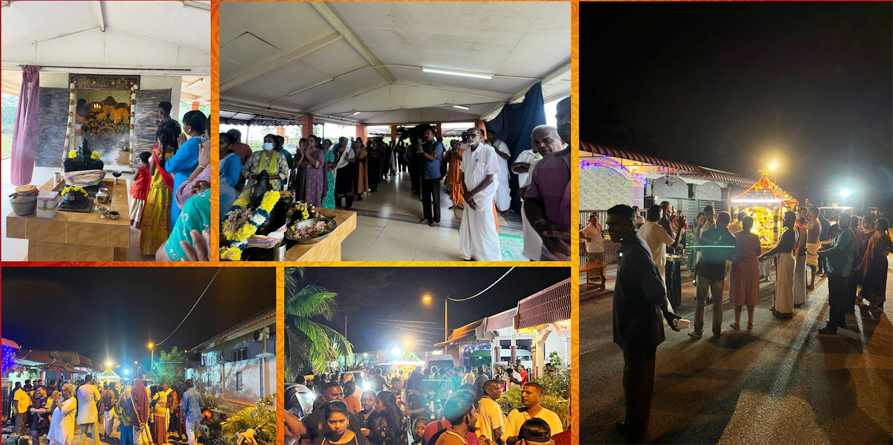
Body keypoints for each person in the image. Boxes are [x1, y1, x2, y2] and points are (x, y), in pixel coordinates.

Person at [605, 204, 680, 444]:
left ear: (630, 223)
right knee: (632, 382)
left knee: (638, 386)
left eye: (615, 224)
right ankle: (631, 426)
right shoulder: (631, 246)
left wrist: (669, 315)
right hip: (633, 329)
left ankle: (635, 436)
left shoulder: (635, 250)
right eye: (609, 224)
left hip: (640, 331)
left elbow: (656, 288)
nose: (610, 229)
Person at [524, 124, 571, 261]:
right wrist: (540, 224)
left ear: (561, 140)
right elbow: (531, 198)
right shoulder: (541, 165)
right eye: (537, 142)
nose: (541, 145)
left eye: (546, 140)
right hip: (548, 248)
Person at [689, 212, 736, 338]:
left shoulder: (708, 233)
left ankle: (697, 331)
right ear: (728, 222)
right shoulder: (731, 238)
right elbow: (732, 255)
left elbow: (699, 248)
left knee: (700, 302)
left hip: (704, 270)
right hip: (718, 272)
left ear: (718, 220)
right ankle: (717, 330)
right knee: (717, 302)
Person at [459, 128, 502, 261]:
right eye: (468, 135)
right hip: (469, 198)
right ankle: (473, 254)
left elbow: (490, 178)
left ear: (482, 138)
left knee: (485, 228)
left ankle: (490, 258)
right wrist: (466, 195)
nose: (470, 137)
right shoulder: (466, 153)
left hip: (483, 197)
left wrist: (471, 195)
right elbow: (463, 174)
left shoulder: (489, 151)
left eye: (474, 135)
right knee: (471, 226)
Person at [817, 212, 857, 334]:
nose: (841, 221)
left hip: (839, 270)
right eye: (840, 218)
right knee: (839, 299)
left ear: (848, 220)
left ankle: (832, 327)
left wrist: (820, 253)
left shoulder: (847, 233)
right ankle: (839, 321)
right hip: (836, 269)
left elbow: (836, 249)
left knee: (834, 299)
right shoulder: (842, 232)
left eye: (843, 219)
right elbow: (833, 245)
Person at [139, 127, 177, 255]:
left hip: (156, 191)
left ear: (159, 140)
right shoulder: (175, 152)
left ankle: (149, 248)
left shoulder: (156, 152)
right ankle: (164, 249)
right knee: (164, 218)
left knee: (152, 217)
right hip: (168, 191)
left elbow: (151, 172)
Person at [165, 110, 206, 225]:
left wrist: (180, 150)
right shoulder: (205, 141)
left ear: (189, 128)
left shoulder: (192, 143)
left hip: (187, 187)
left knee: (180, 222)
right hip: (198, 187)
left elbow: (171, 166)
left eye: (183, 124)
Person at [760, 211, 798, 319]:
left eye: (785, 218)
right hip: (787, 258)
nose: (783, 220)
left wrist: (764, 255)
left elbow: (778, 248)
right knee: (784, 285)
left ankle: (784, 310)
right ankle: (780, 308)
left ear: (790, 220)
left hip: (785, 259)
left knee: (784, 286)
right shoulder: (794, 231)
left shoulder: (788, 232)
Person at [729, 216, 762, 330]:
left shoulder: (736, 236)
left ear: (742, 224)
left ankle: (737, 323)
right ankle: (750, 322)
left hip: (739, 267)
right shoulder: (755, 237)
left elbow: (731, 251)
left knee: (739, 293)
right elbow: (758, 252)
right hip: (752, 267)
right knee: (751, 293)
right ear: (752, 225)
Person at [638, 205, 684, 279]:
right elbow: (674, 245)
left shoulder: (643, 227)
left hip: (645, 266)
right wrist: (680, 228)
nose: (662, 216)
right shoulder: (657, 228)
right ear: (658, 215)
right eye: (662, 214)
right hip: (656, 268)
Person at [860, 218, 891, 312]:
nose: (874, 225)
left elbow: (891, 247)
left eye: (876, 224)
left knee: (878, 283)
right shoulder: (876, 234)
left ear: (881, 226)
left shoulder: (884, 237)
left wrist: (886, 250)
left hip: (880, 263)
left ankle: (877, 305)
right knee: (872, 282)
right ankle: (872, 303)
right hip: (874, 262)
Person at [418, 127, 445, 227]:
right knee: (425, 198)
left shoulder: (438, 145)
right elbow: (420, 158)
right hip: (424, 175)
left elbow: (433, 159)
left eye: (428, 133)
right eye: (425, 134)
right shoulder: (423, 145)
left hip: (434, 175)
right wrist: (428, 155)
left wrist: (423, 153)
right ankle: (427, 216)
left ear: (433, 135)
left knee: (436, 199)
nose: (426, 135)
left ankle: (436, 219)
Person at [295, 134, 328, 207]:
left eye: (311, 141)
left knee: (313, 200)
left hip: (315, 181)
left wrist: (308, 156)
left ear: (315, 143)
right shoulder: (302, 151)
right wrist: (302, 156)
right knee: (301, 200)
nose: (309, 142)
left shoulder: (320, 152)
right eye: (307, 140)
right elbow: (295, 165)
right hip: (302, 180)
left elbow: (318, 165)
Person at [486, 130, 512, 214]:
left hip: (501, 172)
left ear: (494, 135)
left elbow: (508, 157)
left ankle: (506, 209)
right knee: (492, 190)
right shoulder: (486, 144)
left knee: (503, 191)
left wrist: (496, 150)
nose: (488, 136)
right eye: (487, 135)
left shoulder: (501, 144)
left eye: (489, 135)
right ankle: (494, 209)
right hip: (491, 171)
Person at [333, 137, 357, 210]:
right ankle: (338, 204)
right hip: (339, 171)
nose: (345, 143)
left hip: (347, 171)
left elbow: (353, 161)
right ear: (340, 141)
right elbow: (333, 160)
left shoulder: (350, 150)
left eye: (346, 141)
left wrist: (347, 159)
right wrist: (336, 158)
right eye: (343, 141)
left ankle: (349, 204)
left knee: (348, 187)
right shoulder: (336, 149)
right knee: (338, 187)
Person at [77, 374, 102, 445]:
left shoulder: (80, 388)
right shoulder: (93, 387)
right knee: (95, 434)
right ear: (91, 380)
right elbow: (98, 398)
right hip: (92, 412)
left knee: (83, 433)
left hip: (82, 413)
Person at [130, 151, 152, 228]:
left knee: (134, 206)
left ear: (141, 160)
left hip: (137, 191)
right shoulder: (152, 170)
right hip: (145, 191)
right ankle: (138, 222)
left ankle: (132, 221)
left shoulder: (139, 169)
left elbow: (134, 178)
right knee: (140, 208)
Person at [793, 208, 809, 307]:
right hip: (803, 254)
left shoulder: (798, 228)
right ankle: (800, 299)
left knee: (797, 277)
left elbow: (796, 244)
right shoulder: (805, 228)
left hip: (798, 255)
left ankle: (796, 299)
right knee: (801, 277)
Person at [444, 140, 466, 210]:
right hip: (452, 175)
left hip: (461, 174)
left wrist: (456, 155)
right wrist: (450, 155)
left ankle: (465, 205)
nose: (452, 144)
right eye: (451, 143)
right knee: (453, 190)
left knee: (461, 191)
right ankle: (455, 204)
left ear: (458, 144)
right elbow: (445, 161)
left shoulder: (463, 151)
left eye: (454, 143)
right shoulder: (448, 152)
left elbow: (465, 160)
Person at [180, 380, 202, 445]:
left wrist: (181, 416)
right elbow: (202, 404)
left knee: (190, 431)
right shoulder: (198, 393)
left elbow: (184, 407)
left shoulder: (186, 394)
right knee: (196, 431)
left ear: (186, 385)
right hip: (198, 415)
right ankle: (195, 443)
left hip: (190, 416)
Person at [806, 207, 822, 290]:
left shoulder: (814, 222)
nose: (808, 214)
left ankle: (810, 283)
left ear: (813, 213)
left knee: (810, 264)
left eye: (810, 212)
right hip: (813, 244)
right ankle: (808, 283)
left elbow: (809, 234)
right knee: (812, 265)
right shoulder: (816, 222)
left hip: (811, 245)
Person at [323, 139, 336, 209]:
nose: (325, 145)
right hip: (320, 174)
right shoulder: (319, 152)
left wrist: (320, 165)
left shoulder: (331, 154)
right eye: (324, 143)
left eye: (327, 144)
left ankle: (330, 207)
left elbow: (331, 164)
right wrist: (325, 165)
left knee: (329, 190)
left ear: (329, 145)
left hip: (328, 175)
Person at [817, 209, 831, 276]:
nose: (819, 214)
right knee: (819, 256)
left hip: (824, 241)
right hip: (818, 240)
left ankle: (826, 271)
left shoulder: (826, 222)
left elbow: (828, 232)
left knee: (823, 257)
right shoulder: (817, 221)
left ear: (823, 214)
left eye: (820, 213)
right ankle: (820, 270)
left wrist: (826, 241)